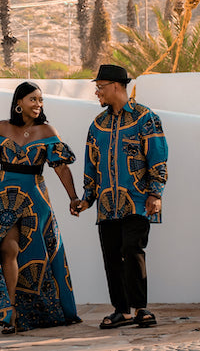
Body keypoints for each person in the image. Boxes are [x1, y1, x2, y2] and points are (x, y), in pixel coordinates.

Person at [0, 81, 82, 334]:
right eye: (33, 99)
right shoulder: (2, 127)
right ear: (19, 103)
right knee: (8, 248)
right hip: (4, 196)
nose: (38, 104)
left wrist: (73, 197)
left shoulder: (47, 131)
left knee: (37, 254)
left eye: (40, 100)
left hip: (36, 199)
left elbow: (61, 167)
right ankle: (9, 313)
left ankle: (38, 310)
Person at [69, 63, 168, 330]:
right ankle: (122, 311)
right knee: (112, 255)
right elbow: (91, 164)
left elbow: (157, 158)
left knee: (132, 249)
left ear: (116, 86)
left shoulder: (145, 118)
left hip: (138, 200)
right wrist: (87, 199)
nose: (97, 93)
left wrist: (155, 193)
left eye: (100, 88)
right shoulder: (97, 125)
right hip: (107, 204)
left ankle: (141, 308)